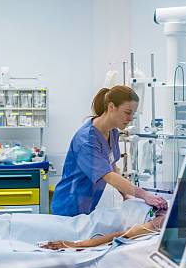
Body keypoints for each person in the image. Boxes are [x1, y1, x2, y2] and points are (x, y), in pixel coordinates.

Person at [51, 85, 167, 216]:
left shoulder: (113, 132)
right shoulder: (87, 141)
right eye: (127, 112)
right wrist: (144, 194)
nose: (130, 119)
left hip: (87, 205)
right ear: (111, 107)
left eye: (133, 114)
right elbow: (108, 175)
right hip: (68, 205)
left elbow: (112, 166)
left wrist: (126, 195)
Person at [42, 205, 167, 250]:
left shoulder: (164, 221)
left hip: (97, 227)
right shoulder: (169, 204)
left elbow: (125, 234)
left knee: (54, 229)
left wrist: (77, 245)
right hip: (98, 218)